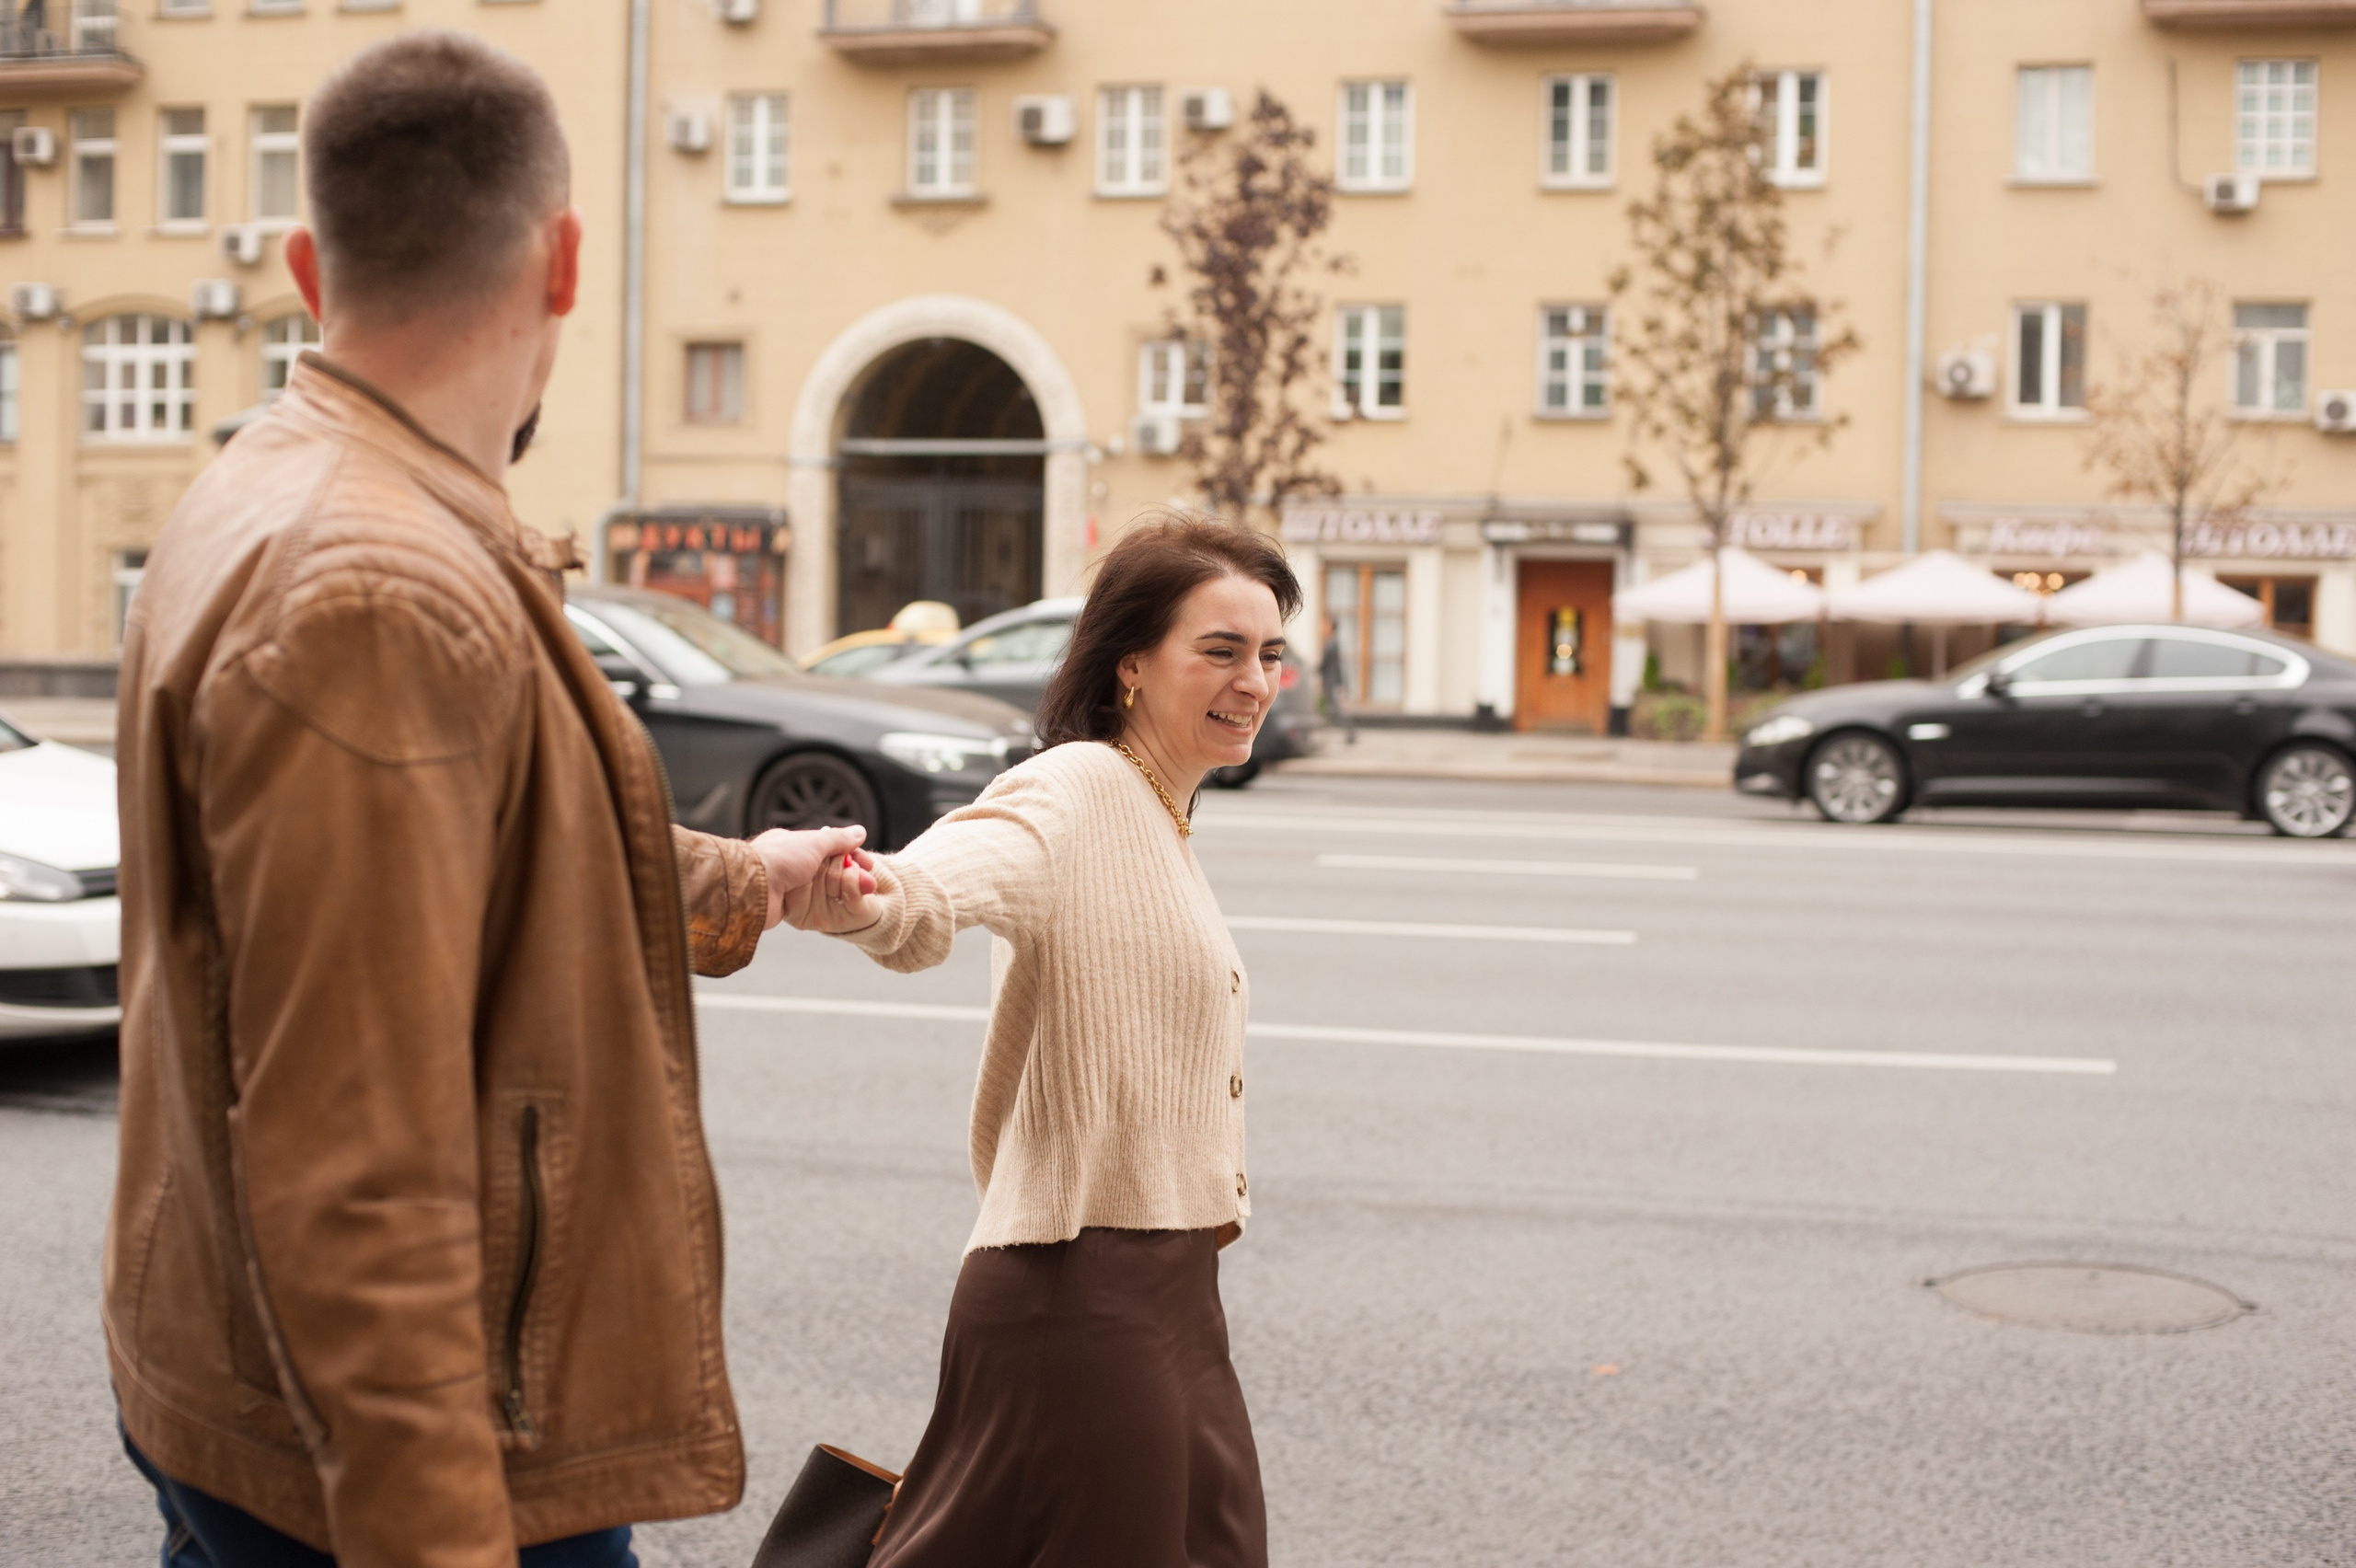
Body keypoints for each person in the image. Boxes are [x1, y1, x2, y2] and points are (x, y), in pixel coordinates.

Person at [104, 32, 872, 1568]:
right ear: (566, 260)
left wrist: (752, 879)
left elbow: (490, 844)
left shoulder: (271, 483)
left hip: (237, 1384)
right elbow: (358, 1177)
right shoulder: (375, 592)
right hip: (426, 1454)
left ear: (306, 266)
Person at [790, 513, 1299, 1568]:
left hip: (1164, 1290)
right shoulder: (1078, 788)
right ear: (1130, 666)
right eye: (1219, 651)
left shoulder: (1158, 813)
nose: (1252, 681)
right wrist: (872, 896)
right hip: (1082, 1288)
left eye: (1268, 653)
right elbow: (949, 879)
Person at [1319, 612, 1358, 744]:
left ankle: (1351, 731)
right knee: (1331, 708)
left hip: (1331, 682)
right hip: (1330, 681)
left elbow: (1326, 664)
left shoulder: (1332, 643)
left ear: (1331, 627)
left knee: (1335, 708)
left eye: (1325, 625)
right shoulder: (1331, 642)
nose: (1322, 627)